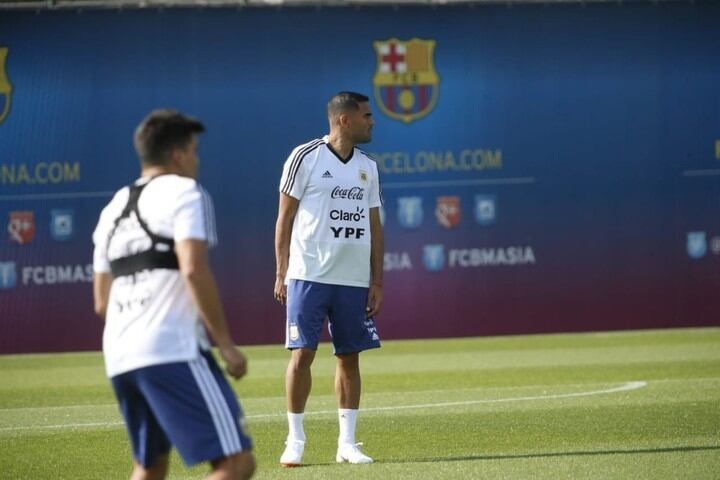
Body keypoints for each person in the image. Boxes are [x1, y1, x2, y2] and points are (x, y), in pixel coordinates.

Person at [92, 109, 256, 480]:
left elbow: (101, 301)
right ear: (179, 155)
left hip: (120, 355)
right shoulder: (185, 192)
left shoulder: (113, 207)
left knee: (149, 468)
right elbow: (194, 268)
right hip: (172, 348)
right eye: (195, 151)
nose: (197, 160)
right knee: (236, 463)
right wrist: (226, 344)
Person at [274, 91, 384, 467]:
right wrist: (281, 270)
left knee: (349, 357)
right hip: (308, 274)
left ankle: (347, 444)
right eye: (367, 115)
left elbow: (375, 226)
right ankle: (295, 440)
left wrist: (377, 280)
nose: (372, 121)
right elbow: (284, 219)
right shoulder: (305, 157)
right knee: (302, 353)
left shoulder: (368, 166)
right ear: (344, 119)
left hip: (352, 279)